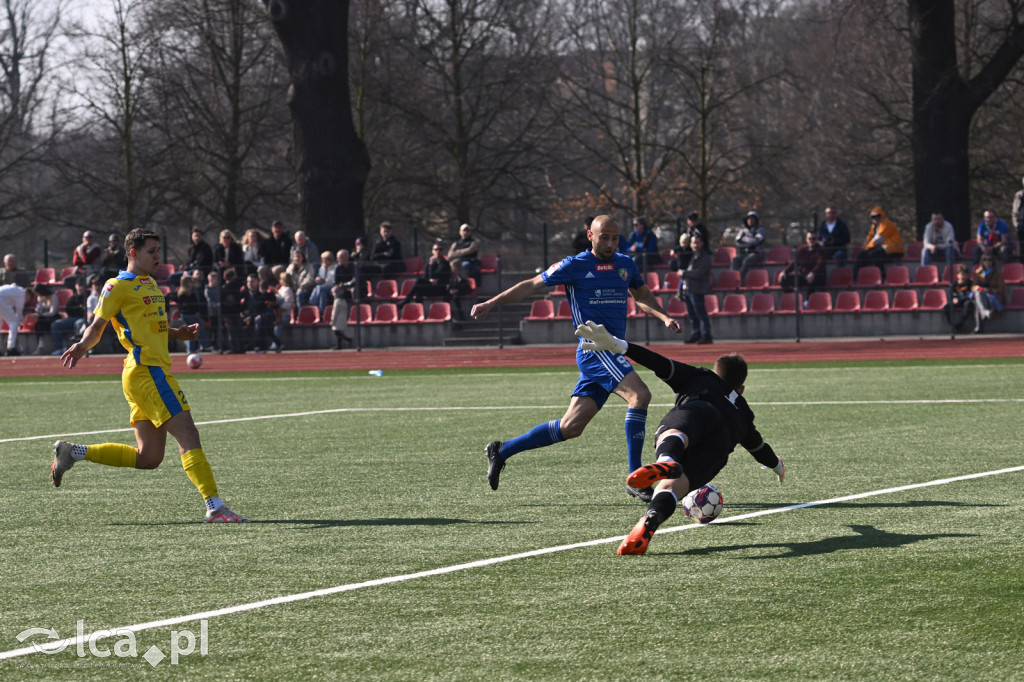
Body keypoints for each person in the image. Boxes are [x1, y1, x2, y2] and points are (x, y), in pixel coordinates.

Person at [470, 215, 681, 501]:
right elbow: (532, 284)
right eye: (603, 237)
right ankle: (636, 478)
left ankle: (502, 450)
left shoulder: (625, 265)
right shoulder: (574, 265)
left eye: (614, 237)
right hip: (595, 350)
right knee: (640, 396)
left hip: (612, 351)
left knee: (571, 427)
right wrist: (491, 303)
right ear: (590, 236)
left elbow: (641, 293)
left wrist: (664, 316)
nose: (609, 242)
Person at [51, 228, 247, 523]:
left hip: (144, 373)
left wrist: (177, 332)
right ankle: (215, 506)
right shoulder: (117, 286)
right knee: (188, 434)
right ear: (133, 253)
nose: (158, 256)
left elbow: (149, 325)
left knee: (149, 458)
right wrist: (82, 345)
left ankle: (72, 452)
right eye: (152, 251)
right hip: (147, 372)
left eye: (158, 250)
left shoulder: (151, 284)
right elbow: (97, 325)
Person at [572, 320, 784, 555]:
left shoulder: (703, 377)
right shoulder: (744, 412)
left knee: (675, 432)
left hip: (700, 411)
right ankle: (652, 518)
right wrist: (777, 466)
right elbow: (759, 449)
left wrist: (618, 345)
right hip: (719, 448)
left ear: (716, 372)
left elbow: (658, 363)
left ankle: (666, 460)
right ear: (740, 389)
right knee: (671, 487)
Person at [680, 232, 713, 344]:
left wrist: (684, 273)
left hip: (697, 289)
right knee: (692, 315)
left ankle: (706, 335)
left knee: (701, 314)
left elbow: (699, 273)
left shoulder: (704, 257)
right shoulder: (691, 255)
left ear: (702, 243)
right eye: (694, 243)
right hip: (689, 288)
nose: (695, 245)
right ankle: (696, 334)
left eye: (697, 243)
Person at [399, 241, 452, 308]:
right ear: (433, 251)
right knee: (419, 288)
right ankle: (418, 310)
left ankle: (406, 301)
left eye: (440, 249)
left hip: (440, 288)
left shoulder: (444, 263)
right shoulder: (429, 262)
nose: (438, 251)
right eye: (436, 249)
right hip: (431, 287)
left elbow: (437, 275)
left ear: (442, 251)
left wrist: (431, 266)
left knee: (419, 283)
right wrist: (431, 278)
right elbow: (425, 276)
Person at [854, 206, 904, 277]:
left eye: (877, 216)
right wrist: (865, 245)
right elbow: (869, 237)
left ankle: (882, 276)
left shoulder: (886, 224)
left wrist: (867, 247)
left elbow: (879, 239)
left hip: (894, 250)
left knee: (875, 255)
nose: (875, 218)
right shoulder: (874, 226)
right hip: (884, 249)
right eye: (873, 217)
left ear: (882, 216)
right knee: (863, 255)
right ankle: (857, 276)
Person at [169, 275, 209, 354]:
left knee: (189, 331)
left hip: (185, 314)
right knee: (198, 330)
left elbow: (172, 298)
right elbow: (195, 304)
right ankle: (204, 346)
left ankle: (191, 349)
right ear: (188, 283)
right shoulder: (190, 293)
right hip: (191, 314)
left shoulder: (180, 292)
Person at [50, 279, 90, 355]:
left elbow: (86, 310)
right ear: (76, 286)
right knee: (55, 325)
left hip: (83, 318)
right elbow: (68, 309)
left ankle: (80, 348)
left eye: (82, 285)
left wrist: (78, 309)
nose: (80, 287)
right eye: (79, 285)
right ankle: (59, 348)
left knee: (78, 323)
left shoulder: (88, 295)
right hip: (72, 318)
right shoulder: (73, 297)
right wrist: (79, 308)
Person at [971, 254, 1005, 333]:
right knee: (978, 294)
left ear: (993, 261)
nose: (987, 262)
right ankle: (986, 313)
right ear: (982, 261)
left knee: (977, 302)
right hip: (981, 294)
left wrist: (990, 290)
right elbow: (973, 286)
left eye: (989, 259)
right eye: (985, 259)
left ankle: (978, 328)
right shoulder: (978, 272)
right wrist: (982, 289)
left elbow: (1001, 288)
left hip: (993, 296)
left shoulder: (998, 273)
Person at [731, 211, 765, 278]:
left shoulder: (760, 230)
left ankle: (739, 278)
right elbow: (737, 242)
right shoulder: (743, 231)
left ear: (756, 220)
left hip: (755, 253)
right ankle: (733, 277)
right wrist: (750, 242)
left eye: (752, 219)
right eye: (748, 219)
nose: (750, 221)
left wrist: (743, 239)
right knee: (735, 259)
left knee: (747, 260)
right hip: (744, 253)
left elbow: (756, 241)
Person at [943, 264, 974, 332]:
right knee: (946, 307)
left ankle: (960, 324)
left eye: (965, 274)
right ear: (957, 275)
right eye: (961, 274)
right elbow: (950, 294)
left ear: (968, 275)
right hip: (956, 302)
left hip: (965, 301)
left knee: (968, 304)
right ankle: (952, 325)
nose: (963, 277)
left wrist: (960, 299)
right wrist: (953, 299)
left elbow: (971, 295)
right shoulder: (954, 284)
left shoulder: (971, 284)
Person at [0, 281, 28, 355]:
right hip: (1, 301)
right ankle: (11, 348)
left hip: (1, 301)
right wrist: (24, 321)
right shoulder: (22, 293)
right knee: (14, 322)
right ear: (28, 294)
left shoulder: (13, 290)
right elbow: (19, 311)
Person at [330, 284, 353, 350]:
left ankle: (347, 340)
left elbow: (335, 312)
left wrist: (333, 320)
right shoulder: (343, 301)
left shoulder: (337, 301)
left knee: (337, 332)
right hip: (342, 318)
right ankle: (340, 344)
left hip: (338, 319)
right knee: (339, 332)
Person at [1011, 176, 1024, 260]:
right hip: (1021, 225)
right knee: (1022, 249)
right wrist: (1016, 225)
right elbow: (1015, 212)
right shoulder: (1019, 195)